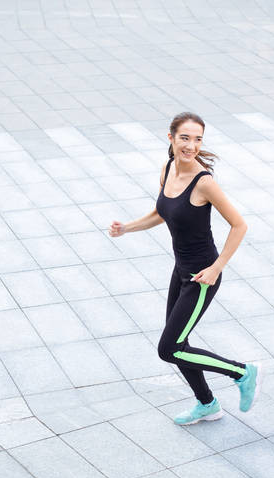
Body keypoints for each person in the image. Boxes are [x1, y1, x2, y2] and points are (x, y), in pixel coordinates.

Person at [109, 112, 262, 425]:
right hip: (181, 271)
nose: (191, 145)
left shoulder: (204, 182)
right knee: (180, 343)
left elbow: (239, 225)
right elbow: (162, 212)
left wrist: (217, 268)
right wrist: (127, 227)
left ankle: (242, 372)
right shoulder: (167, 169)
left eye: (197, 139)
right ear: (171, 138)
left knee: (169, 348)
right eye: (185, 138)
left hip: (202, 276)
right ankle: (207, 404)